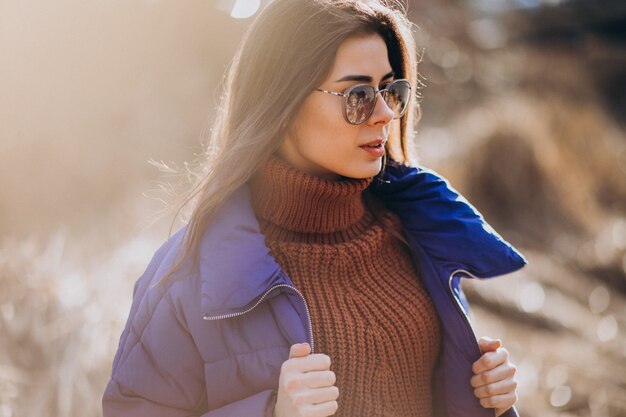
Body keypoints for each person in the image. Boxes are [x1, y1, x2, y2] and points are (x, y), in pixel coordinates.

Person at [102, 1, 526, 416]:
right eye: (357, 94)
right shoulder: (188, 276)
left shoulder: (418, 231)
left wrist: (489, 400)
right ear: (282, 104)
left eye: (391, 90)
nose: (383, 114)